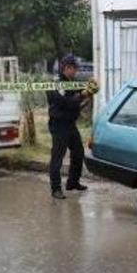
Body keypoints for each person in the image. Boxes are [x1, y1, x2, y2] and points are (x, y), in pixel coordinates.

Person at [47, 54, 93, 200]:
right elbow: (65, 102)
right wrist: (82, 95)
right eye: (74, 69)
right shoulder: (57, 83)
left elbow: (76, 100)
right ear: (66, 68)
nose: (75, 72)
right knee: (58, 157)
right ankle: (56, 189)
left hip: (70, 124)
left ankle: (72, 182)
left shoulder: (71, 82)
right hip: (59, 124)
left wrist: (89, 92)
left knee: (78, 152)